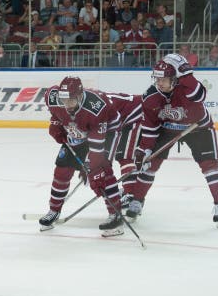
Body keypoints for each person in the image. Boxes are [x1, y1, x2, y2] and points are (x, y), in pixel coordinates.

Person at [38, 76, 144, 237]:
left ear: (80, 96)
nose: (66, 105)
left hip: (107, 132)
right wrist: (56, 123)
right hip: (77, 131)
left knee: (103, 174)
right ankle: (54, 210)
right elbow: (55, 112)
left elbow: (96, 147)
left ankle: (115, 217)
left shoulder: (96, 108)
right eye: (63, 100)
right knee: (62, 171)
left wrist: (94, 169)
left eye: (71, 100)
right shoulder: (53, 97)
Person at [129, 57, 218, 226]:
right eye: (157, 79)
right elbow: (150, 128)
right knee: (149, 164)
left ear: (174, 79)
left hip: (198, 128)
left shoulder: (187, 89)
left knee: (209, 165)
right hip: (168, 129)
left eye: (163, 79)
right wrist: (145, 150)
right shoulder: (150, 97)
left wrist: (186, 72)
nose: (159, 83)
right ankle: (137, 201)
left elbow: (200, 94)